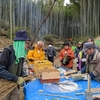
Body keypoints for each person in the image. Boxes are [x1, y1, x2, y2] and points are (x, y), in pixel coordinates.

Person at [0, 30, 30, 100]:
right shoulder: (7, 52)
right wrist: (16, 78)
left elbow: (19, 70)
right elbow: (0, 70)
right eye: (26, 43)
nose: (27, 46)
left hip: (14, 84)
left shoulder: (21, 55)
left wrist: (26, 77)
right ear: (20, 43)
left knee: (15, 96)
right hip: (5, 83)